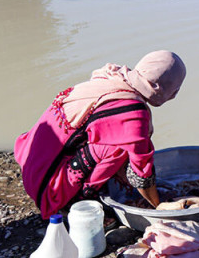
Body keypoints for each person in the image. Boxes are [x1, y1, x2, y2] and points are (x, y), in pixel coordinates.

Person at [14, 50, 187, 218]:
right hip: (47, 187)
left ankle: (83, 187)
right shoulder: (132, 112)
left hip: (33, 166)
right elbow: (142, 170)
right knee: (119, 149)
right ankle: (72, 204)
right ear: (169, 89)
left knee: (118, 142)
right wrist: (157, 205)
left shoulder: (113, 79)